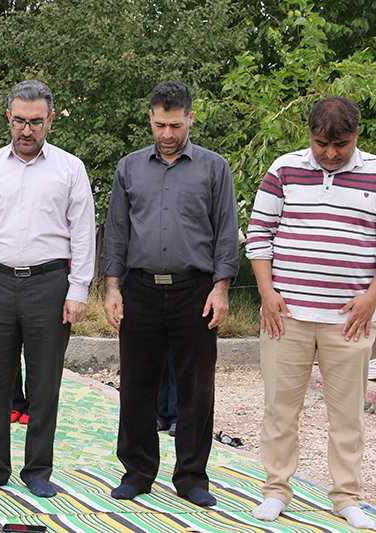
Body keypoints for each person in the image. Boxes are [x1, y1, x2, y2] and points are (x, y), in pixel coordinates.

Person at [102, 81, 238, 507]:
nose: (166, 134)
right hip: (139, 289)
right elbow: (117, 232)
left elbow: (225, 236)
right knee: (136, 386)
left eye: (175, 125)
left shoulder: (214, 168)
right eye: (160, 124)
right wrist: (111, 288)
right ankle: (137, 472)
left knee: (196, 388)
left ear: (191, 119)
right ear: (150, 118)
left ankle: (193, 478)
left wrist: (221, 289)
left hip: (195, 291)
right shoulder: (128, 168)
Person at [0, 79, 95, 498]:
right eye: (20, 121)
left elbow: (83, 233)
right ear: (9, 118)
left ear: (50, 120)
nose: (27, 130)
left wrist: (78, 290)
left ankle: (38, 470)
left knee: (44, 384)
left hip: (50, 287)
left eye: (36, 122)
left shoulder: (70, 169)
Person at [246, 96, 376, 529]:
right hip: (287, 315)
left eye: (340, 144)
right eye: (322, 143)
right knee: (280, 409)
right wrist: (266, 292)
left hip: (350, 320)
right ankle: (276, 490)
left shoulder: (375, 173)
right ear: (309, 135)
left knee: (348, 415)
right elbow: (259, 234)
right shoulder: (283, 170)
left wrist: (372, 297)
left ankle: (346, 497)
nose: (331, 153)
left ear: (357, 134)